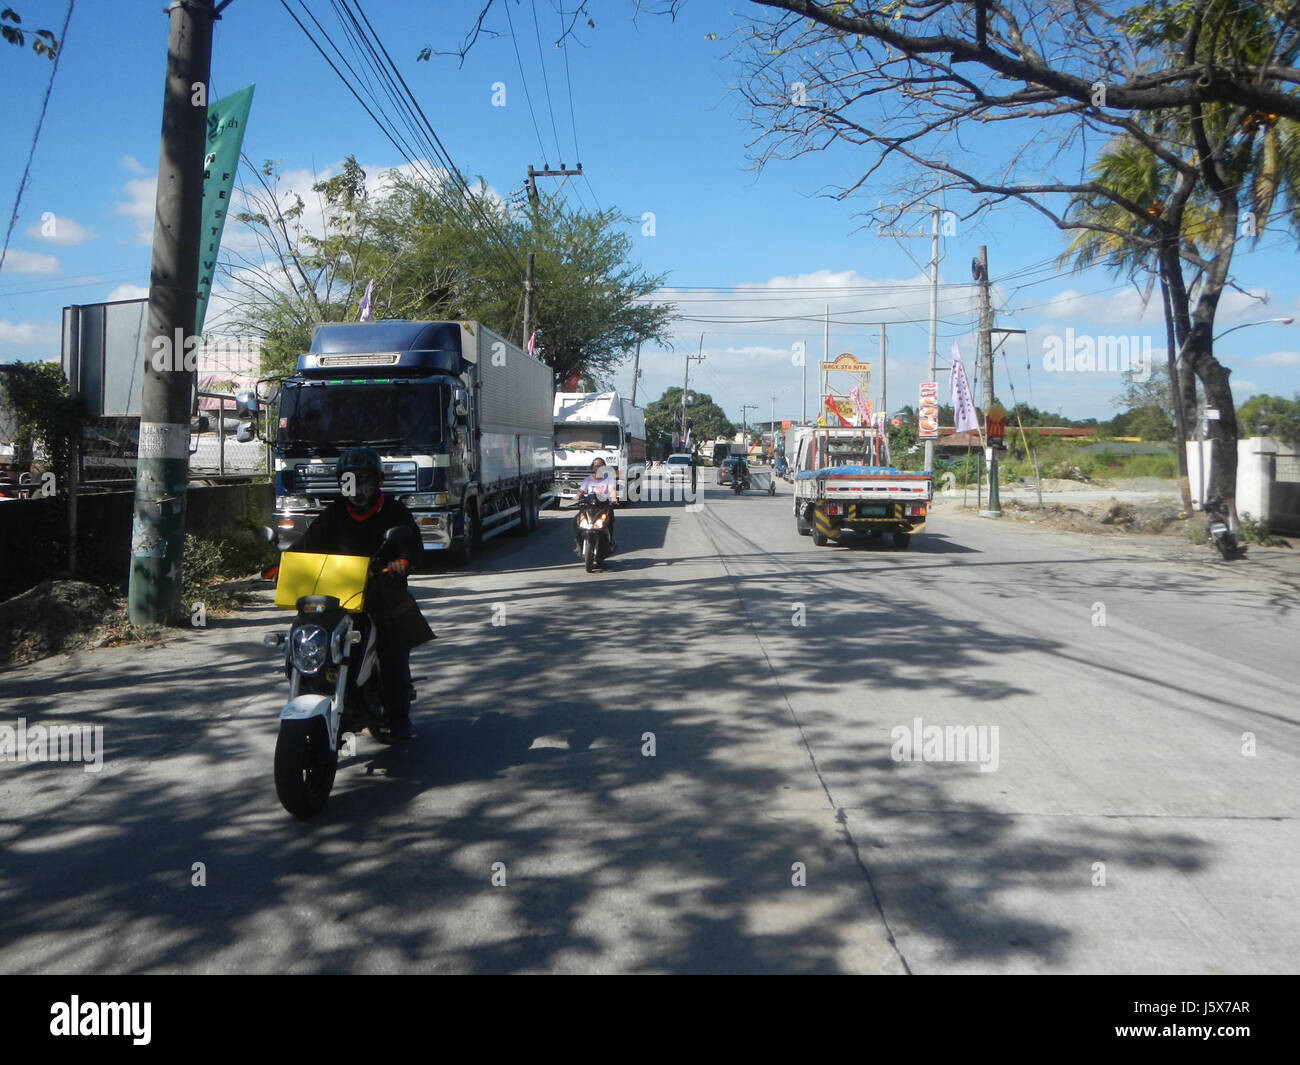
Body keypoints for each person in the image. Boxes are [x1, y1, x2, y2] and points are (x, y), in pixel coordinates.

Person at [297, 447, 434, 741]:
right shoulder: (334, 512)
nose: (356, 486)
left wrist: (403, 562)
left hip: (382, 594)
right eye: (349, 479)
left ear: (378, 482)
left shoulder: (395, 511)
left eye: (364, 478)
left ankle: (399, 715)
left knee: (392, 651)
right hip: (340, 596)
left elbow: (412, 544)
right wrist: (282, 562)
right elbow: (308, 543)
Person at [574, 457, 617, 553]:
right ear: (592, 467)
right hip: (589, 507)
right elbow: (581, 491)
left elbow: (612, 490)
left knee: (609, 520)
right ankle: (578, 542)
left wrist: (613, 498)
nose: (598, 468)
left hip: (603, 506)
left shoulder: (609, 479)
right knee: (576, 520)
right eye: (596, 466)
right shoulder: (588, 479)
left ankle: (609, 542)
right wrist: (576, 497)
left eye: (600, 466)